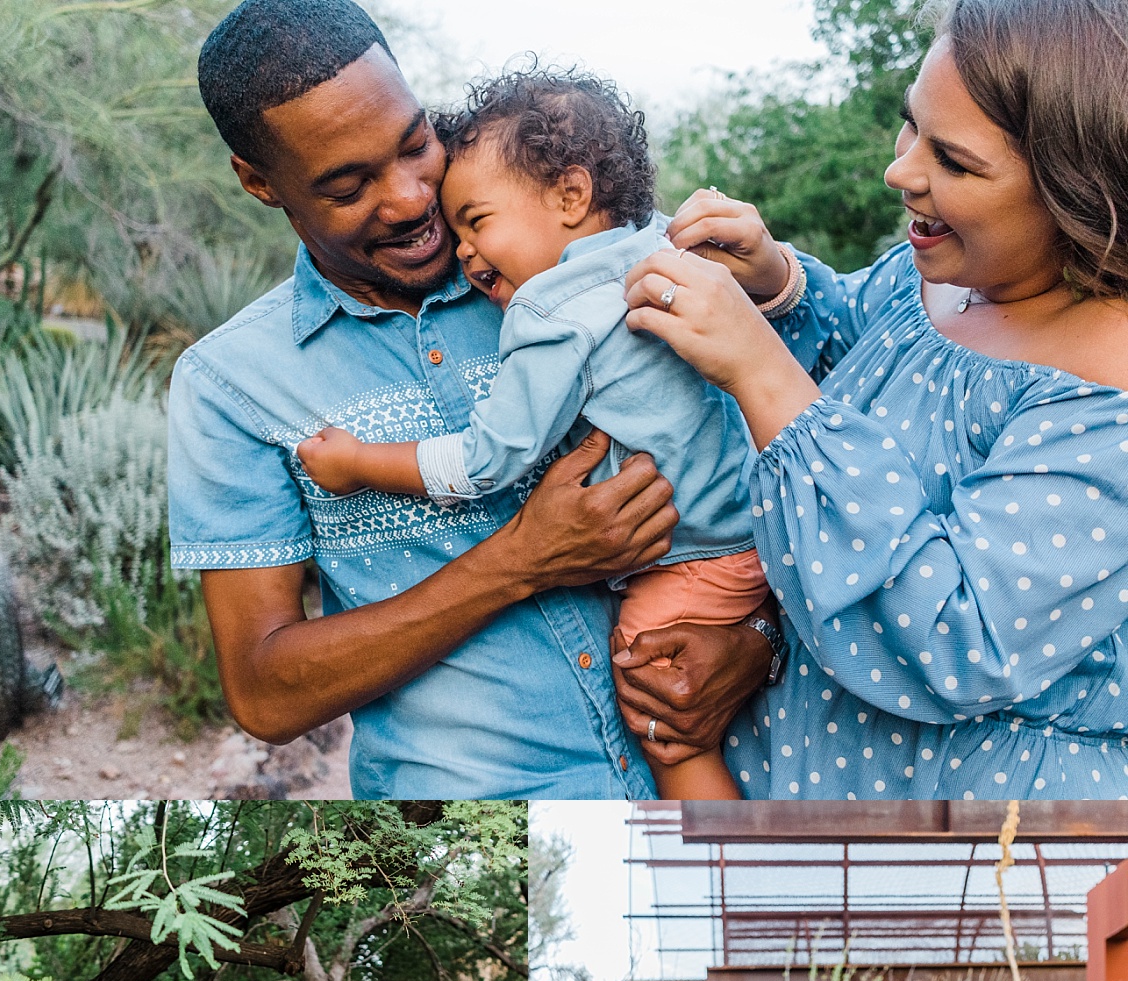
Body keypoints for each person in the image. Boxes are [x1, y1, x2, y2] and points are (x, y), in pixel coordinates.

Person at [169, 0, 777, 800]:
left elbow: (795, 415)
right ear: (260, 183)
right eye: (350, 186)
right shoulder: (231, 384)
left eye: (416, 143)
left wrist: (757, 638)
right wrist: (517, 563)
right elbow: (265, 691)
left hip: (737, 775)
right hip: (486, 826)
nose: (413, 198)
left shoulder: (577, 251)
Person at [618, 0, 1128, 800]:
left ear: (1080, 193)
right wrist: (780, 284)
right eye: (910, 125)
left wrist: (763, 374)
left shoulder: (1107, 404)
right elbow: (857, 354)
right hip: (796, 777)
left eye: (953, 162)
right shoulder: (938, 286)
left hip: (966, 826)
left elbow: (956, 641)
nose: (901, 170)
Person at [296, 69, 797, 799]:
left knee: (662, 714)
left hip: (694, 560)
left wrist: (360, 463)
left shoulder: (549, 314)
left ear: (570, 196)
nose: (463, 254)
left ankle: (724, 869)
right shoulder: (663, 248)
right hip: (762, 523)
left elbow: (488, 458)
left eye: (476, 220)